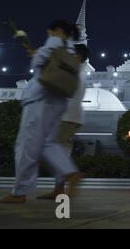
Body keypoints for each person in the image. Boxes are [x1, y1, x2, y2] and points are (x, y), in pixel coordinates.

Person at [0, 20, 83, 204]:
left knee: (26, 145)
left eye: (50, 31)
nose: (49, 34)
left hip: (41, 98)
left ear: (57, 30)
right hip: (59, 100)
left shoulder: (55, 42)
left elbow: (39, 61)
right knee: (47, 143)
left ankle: (19, 192)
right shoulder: (72, 48)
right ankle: (70, 172)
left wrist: (35, 53)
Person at [37, 44, 89, 200]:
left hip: (65, 116)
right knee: (61, 152)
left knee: (49, 147)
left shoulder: (74, 71)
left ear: (77, 56)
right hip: (72, 117)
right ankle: (59, 188)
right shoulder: (80, 72)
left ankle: (72, 174)